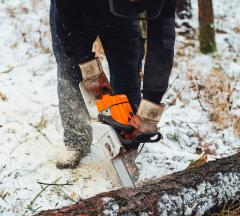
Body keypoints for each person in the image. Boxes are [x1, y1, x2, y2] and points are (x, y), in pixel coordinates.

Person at [50, 0, 178, 169]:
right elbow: (67, 22)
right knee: (70, 68)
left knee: (128, 72)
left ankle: (126, 146)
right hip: (75, 12)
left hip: (123, 19)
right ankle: (76, 141)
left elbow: (163, 39)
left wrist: (150, 108)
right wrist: (88, 68)